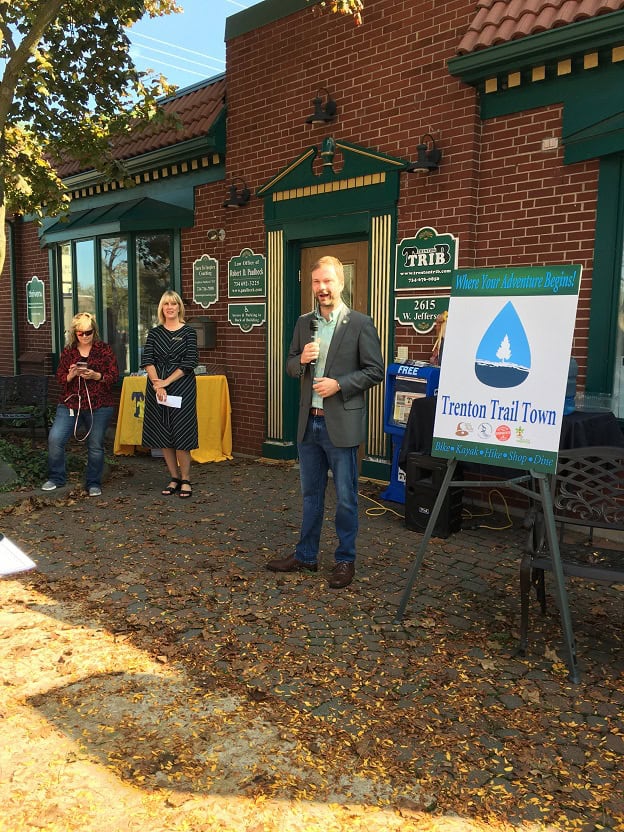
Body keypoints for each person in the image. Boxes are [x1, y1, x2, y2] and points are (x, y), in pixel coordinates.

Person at [266, 255, 384, 588]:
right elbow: (290, 365)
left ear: (341, 283)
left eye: (328, 281)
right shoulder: (304, 322)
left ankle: (345, 560)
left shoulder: (360, 323)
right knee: (310, 495)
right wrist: (300, 360)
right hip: (309, 423)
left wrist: (340, 385)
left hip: (340, 424)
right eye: (316, 282)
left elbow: (375, 370)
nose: (322, 288)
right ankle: (306, 556)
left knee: (346, 497)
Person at [42, 312, 119, 496]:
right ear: (74, 333)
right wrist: (72, 374)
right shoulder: (69, 351)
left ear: (95, 331)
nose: (85, 336)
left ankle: (93, 482)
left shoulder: (104, 349)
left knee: (95, 444)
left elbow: (114, 376)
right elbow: (60, 378)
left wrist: (96, 376)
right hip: (71, 403)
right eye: (80, 333)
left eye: (88, 332)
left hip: (98, 403)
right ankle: (56, 477)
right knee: (55, 439)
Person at [141, 290, 198, 498]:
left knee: (182, 433)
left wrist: (167, 381)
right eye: (166, 304)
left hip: (182, 386)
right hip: (158, 388)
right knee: (164, 433)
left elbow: (190, 361)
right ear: (161, 308)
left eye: (174, 304)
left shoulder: (189, 332)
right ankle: (173, 477)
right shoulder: (155, 333)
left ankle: (186, 479)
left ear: (179, 307)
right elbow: (148, 359)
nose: (170, 307)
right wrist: (158, 385)